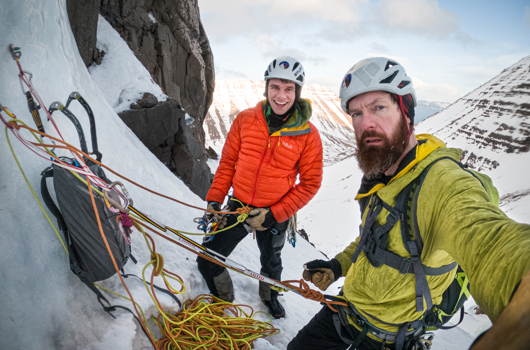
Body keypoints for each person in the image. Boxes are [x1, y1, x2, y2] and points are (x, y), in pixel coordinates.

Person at [287, 57, 530, 349]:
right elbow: (372, 241)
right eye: (356, 114)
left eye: (378, 107)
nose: (366, 124)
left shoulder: (443, 184)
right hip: (345, 312)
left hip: (390, 339)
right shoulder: (384, 176)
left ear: (406, 111)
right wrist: (337, 267)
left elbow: (491, 242)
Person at [197, 55, 323, 319]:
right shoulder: (245, 120)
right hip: (239, 206)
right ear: (266, 88)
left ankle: (269, 296)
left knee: (271, 261)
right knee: (208, 259)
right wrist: (214, 199)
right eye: (275, 87)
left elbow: (310, 183)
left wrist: (275, 214)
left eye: (289, 89)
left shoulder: (308, 135)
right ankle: (224, 300)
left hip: (275, 212)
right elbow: (228, 163)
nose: (281, 95)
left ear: (297, 93)